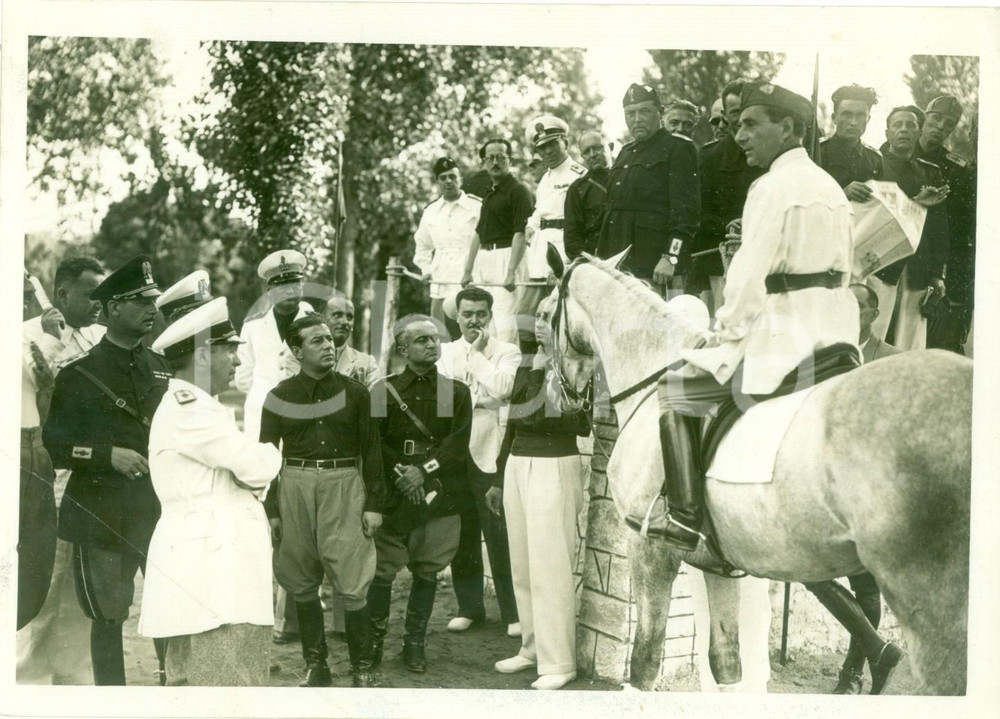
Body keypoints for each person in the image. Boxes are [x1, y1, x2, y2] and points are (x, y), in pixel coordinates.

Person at [624, 82, 903, 694]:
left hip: (784, 338)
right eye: (738, 124)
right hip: (835, 339)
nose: (740, 134)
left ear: (789, 129)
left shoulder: (770, 186)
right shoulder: (830, 188)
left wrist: (721, 334)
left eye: (752, 124)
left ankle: (684, 520)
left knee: (677, 395)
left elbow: (749, 277)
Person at [138, 297, 282, 686]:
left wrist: (250, 467)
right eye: (229, 352)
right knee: (225, 683)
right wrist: (269, 456)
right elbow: (256, 465)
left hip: (212, 557)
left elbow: (244, 469)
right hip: (212, 565)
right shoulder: (190, 409)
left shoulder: (200, 406)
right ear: (202, 356)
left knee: (210, 678)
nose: (237, 362)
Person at [43, 255, 172, 686]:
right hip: (102, 514)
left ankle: (171, 690)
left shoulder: (161, 367)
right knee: (108, 616)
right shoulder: (78, 375)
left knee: (169, 610)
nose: (151, 308)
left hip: (159, 512)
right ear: (114, 307)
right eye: (140, 300)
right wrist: (106, 456)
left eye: (153, 299)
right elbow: (56, 447)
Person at [260, 314, 385, 688]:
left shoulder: (357, 393)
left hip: (344, 485)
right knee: (299, 577)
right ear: (296, 351)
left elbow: (373, 451)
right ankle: (317, 666)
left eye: (330, 339)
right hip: (294, 486)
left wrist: (374, 503)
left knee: (353, 577)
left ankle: (362, 668)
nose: (329, 345)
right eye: (317, 341)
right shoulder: (279, 396)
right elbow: (266, 455)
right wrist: (273, 509)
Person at [485, 295, 588, 690]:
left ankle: (560, 661)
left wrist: (559, 388)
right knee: (523, 564)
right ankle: (531, 648)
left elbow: (579, 427)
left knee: (550, 565)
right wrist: (498, 476)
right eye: (539, 317)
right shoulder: (528, 363)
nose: (541, 323)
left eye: (549, 317)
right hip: (518, 465)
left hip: (554, 465)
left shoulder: (577, 364)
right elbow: (511, 422)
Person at [18, 257, 106, 685]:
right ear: (63, 293)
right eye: (91, 292)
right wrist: (52, 343)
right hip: (46, 478)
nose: (99, 301)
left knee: (76, 599)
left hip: (88, 482)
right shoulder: (27, 337)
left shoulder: (99, 336)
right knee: (41, 592)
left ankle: (74, 688)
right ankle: (24, 687)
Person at [804, 283, 897, 695]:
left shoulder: (891, 358)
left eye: (857, 306)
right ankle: (878, 656)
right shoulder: (823, 356)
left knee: (866, 585)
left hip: (870, 485)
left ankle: (852, 673)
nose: (847, 313)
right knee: (811, 570)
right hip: (826, 483)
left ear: (873, 313)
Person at [368, 315, 473, 673]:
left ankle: (414, 644)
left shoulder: (455, 392)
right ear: (402, 348)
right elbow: (374, 444)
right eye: (422, 340)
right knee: (382, 571)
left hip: (438, 494)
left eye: (435, 338)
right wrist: (404, 473)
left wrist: (421, 472)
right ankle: (374, 644)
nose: (432, 344)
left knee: (428, 569)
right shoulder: (384, 390)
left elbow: (456, 445)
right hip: (396, 494)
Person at [233, 248, 313, 645]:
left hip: (303, 420)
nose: (289, 292)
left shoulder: (314, 321)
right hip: (263, 421)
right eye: (280, 285)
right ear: (269, 290)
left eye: (295, 283)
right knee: (263, 508)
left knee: (296, 512)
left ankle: (291, 617)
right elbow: (243, 378)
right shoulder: (252, 327)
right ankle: (257, 608)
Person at [437, 287, 521, 637]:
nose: (474, 320)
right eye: (467, 314)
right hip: (455, 454)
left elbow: (503, 389)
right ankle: (469, 607)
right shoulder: (443, 352)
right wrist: (479, 396)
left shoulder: (508, 352)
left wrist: (475, 356)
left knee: (499, 533)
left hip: (491, 451)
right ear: (457, 316)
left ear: (491, 316)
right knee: (463, 533)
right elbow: (444, 400)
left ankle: (513, 613)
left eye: (481, 314)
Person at [598, 83, 700, 296]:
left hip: (655, 266)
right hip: (618, 265)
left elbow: (686, 214)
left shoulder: (678, 148)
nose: (637, 119)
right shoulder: (625, 153)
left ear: (660, 113)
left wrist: (670, 257)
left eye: (644, 111)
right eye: (630, 113)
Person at [874, 106, 950, 350]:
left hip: (919, 265)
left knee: (911, 340)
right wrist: (915, 202)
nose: (904, 130)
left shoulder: (931, 172)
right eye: (898, 125)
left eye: (911, 125)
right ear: (887, 132)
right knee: (874, 330)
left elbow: (939, 228)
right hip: (882, 262)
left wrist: (938, 274)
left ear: (919, 132)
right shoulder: (874, 165)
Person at [688, 80, 765, 315]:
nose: (741, 118)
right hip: (719, 266)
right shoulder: (709, 157)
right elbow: (698, 214)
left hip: (766, 263)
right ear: (726, 115)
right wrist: (733, 227)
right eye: (734, 112)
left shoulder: (771, 156)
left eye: (746, 109)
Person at [520, 115, 586, 352]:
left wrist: (565, 264)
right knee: (527, 318)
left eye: (552, 144)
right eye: (542, 147)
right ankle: (532, 373)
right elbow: (540, 210)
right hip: (539, 255)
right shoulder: (545, 178)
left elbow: (580, 223)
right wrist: (530, 225)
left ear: (565, 143)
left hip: (562, 258)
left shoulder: (579, 175)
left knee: (559, 319)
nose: (547, 151)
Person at [460, 137, 535, 345]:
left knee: (505, 324)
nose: (495, 162)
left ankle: (509, 375)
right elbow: (478, 233)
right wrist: (468, 270)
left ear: (509, 160)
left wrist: (511, 271)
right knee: (486, 323)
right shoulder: (489, 192)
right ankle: (489, 373)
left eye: (500, 157)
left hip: (507, 257)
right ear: (484, 162)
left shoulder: (519, 191)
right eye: (490, 158)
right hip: (485, 260)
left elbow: (520, 233)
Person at [916, 96, 976, 353]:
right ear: (924, 118)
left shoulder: (957, 170)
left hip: (932, 260)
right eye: (936, 119)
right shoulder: (893, 151)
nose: (940, 126)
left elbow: (958, 230)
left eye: (948, 123)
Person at [19, 275, 58, 634]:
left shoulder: (23, 334)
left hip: (32, 446)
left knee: (36, 552)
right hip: (15, 449)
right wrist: (50, 338)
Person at [413, 157, 483, 331]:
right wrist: (426, 269)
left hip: (470, 275)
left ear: (461, 179)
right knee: (439, 331)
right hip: (441, 277)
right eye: (443, 178)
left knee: (472, 328)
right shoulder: (431, 211)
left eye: (452, 177)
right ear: (437, 182)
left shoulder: (476, 207)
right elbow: (422, 246)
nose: (448, 182)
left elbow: (484, 242)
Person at [819, 85, 883, 200]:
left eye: (860, 115)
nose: (853, 122)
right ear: (834, 118)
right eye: (847, 115)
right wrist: (842, 194)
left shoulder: (875, 159)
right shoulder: (817, 151)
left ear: (868, 119)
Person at [564, 130, 612, 260]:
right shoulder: (577, 189)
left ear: (610, 147)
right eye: (586, 152)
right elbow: (572, 240)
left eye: (597, 148)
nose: (592, 155)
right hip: (598, 260)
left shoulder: (627, 179)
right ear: (582, 156)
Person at [853, 283, 901, 364]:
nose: (849, 311)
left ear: (873, 315)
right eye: (846, 305)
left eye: (858, 306)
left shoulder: (893, 358)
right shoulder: (828, 350)